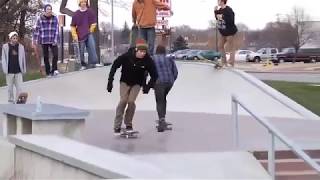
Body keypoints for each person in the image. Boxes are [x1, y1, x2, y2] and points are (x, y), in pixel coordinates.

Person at [107, 38, 158, 134]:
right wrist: (110, 81)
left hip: (137, 84)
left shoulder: (148, 60)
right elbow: (114, 66)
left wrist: (148, 86)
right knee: (123, 101)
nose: (142, 54)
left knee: (131, 101)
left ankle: (128, 123)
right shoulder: (127, 56)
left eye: (144, 52)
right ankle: (117, 126)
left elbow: (155, 75)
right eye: (141, 52)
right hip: (125, 82)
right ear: (136, 50)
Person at [152, 45, 178, 131]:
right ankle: (162, 119)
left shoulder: (153, 58)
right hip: (169, 82)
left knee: (159, 100)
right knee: (163, 99)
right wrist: (172, 80)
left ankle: (161, 121)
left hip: (159, 82)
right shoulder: (169, 58)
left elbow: (148, 70)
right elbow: (175, 71)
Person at [71, 0, 102, 70]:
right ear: (79, 4)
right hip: (79, 35)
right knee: (81, 50)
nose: (83, 4)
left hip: (88, 33)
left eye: (85, 2)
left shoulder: (90, 12)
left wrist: (90, 30)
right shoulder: (76, 14)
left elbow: (94, 23)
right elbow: (72, 26)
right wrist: (74, 35)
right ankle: (82, 65)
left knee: (92, 47)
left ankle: (94, 63)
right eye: (82, 2)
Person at [33, 4, 60, 77]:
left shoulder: (55, 18)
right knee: (46, 56)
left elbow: (57, 29)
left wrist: (56, 39)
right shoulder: (40, 18)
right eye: (48, 9)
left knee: (56, 55)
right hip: (44, 39)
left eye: (50, 9)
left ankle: (54, 70)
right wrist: (35, 40)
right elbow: (37, 30)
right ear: (45, 10)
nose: (49, 11)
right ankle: (48, 72)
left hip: (52, 39)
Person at [1, 32, 26, 103]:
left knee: (19, 87)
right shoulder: (5, 47)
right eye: (13, 38)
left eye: (16, 38)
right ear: (10, 38)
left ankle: (18, 100)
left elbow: (23, 59)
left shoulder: (21, 47)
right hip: (9, 71)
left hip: (18, 71)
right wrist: (5, 69)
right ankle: (10, 101)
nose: (15, 39)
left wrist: (24, 69)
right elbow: (3, 59)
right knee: (10, 88)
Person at [214, 0, 238, 67]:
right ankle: (224, 62)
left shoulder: (229, 10)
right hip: (223, 33)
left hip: (230, 32)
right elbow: (217, 18)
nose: (217, 2)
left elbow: (231, 20)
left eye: (218, 1)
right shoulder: (219, 10)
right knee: (220, 46)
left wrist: (223, 17)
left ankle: (231, 62)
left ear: (222, 1)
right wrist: (215, 11)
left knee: (231, 47)